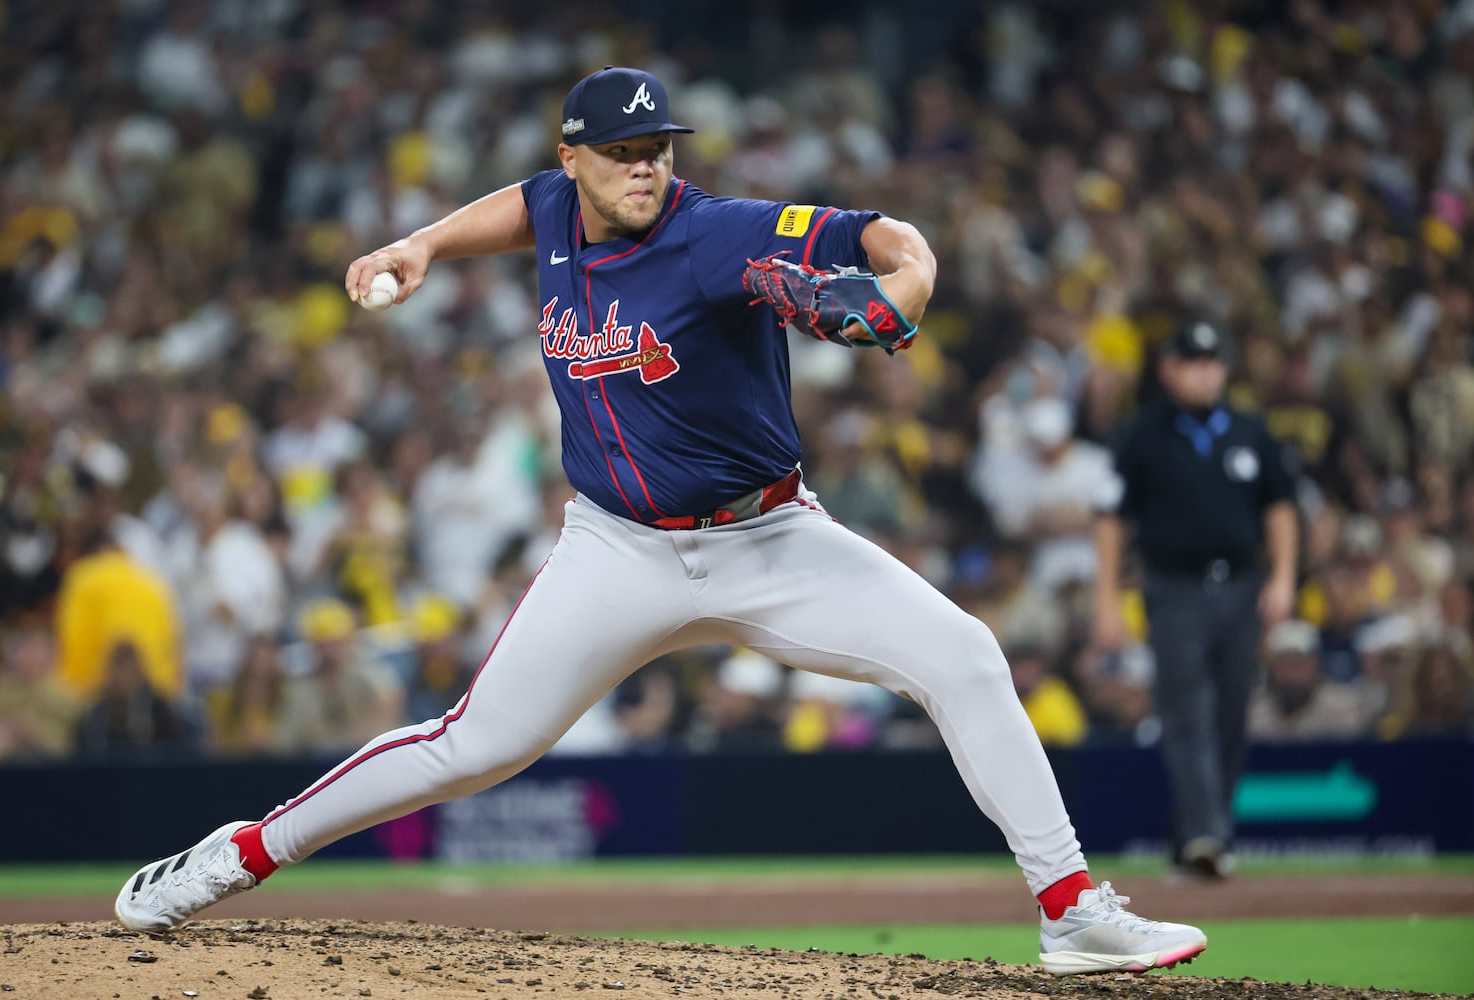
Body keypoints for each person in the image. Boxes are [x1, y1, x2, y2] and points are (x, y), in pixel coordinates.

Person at [115, 66, 1205, 976]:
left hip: (769, 539)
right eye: (625, 151)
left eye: (661, 148)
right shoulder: (551, 206)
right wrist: (423, 248)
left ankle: (1070, 909)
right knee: (472, 746)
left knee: (966, 656)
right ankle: (240, 853)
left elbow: (886, 240)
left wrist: (907, 283)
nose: (648, 167)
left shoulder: (719, 233)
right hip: (618, 549)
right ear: (576, 158)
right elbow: (515, 205)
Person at [1093, 320, 1299, 880]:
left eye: (1211, 363)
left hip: (1241, 586)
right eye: (1192, 363)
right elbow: (1111, 517)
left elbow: (1280, 507)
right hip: (1172, 587)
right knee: (1187, 710)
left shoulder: (1251, 432)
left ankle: (1195, 840)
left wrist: (1283, 578)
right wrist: (1107, 599)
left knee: (1232, 712)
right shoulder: (1143, 434)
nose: (1204, 373)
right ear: (1169, 370)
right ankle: (1211, 834)